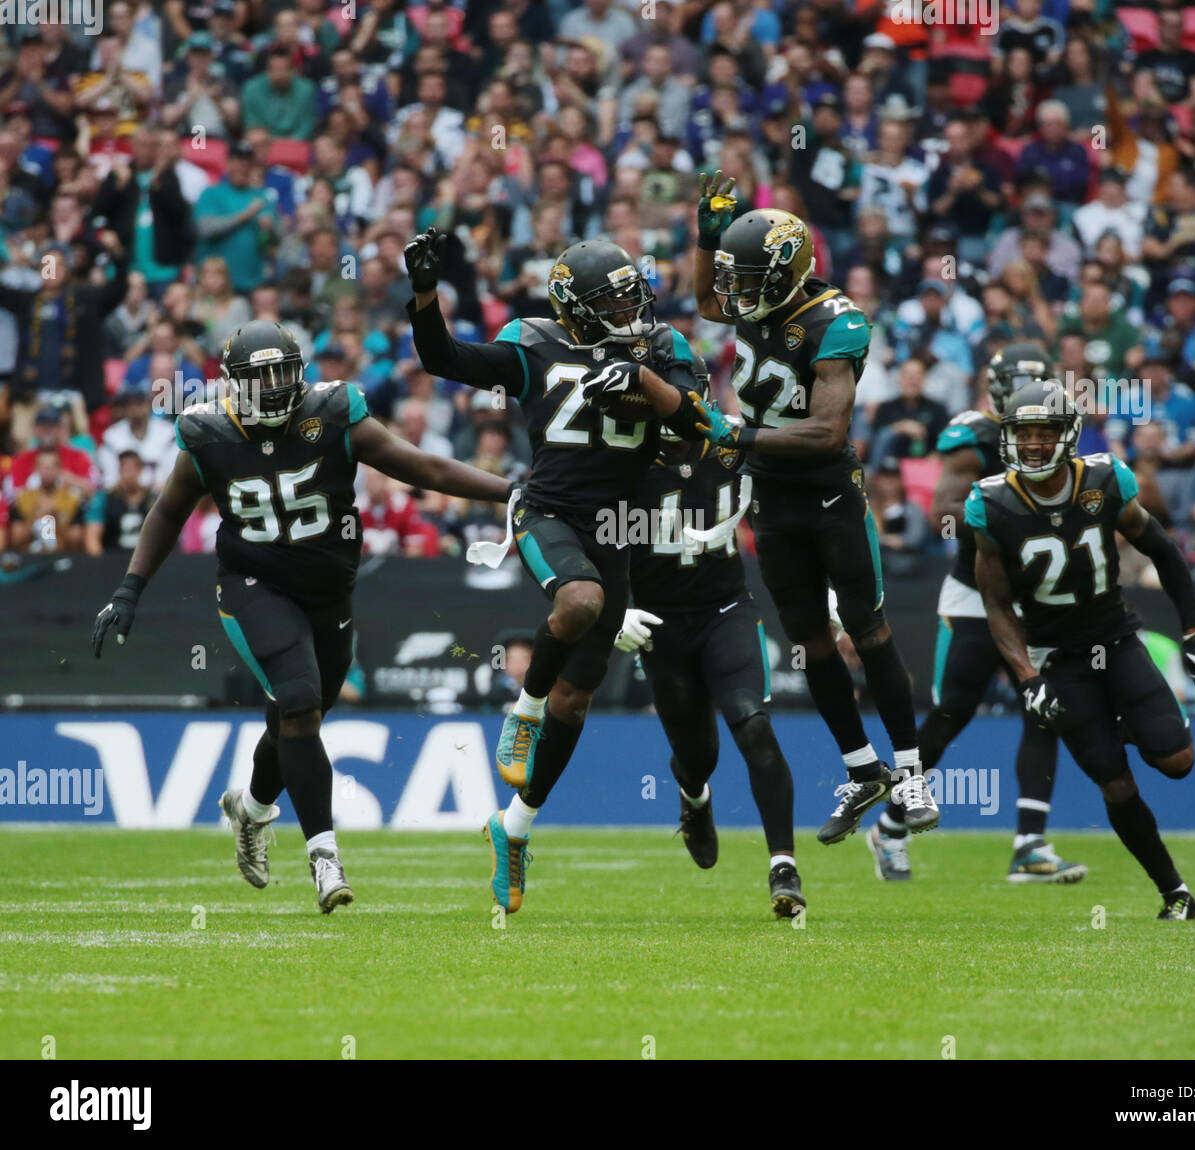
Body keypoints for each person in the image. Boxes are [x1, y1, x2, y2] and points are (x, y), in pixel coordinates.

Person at [90, 320, 513, 912]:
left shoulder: (334, 414)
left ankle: (253, 808)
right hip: (252, 584)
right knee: (300, 703)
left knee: (298, 714)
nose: (271, 387)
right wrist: (130, 589)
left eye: (281, 373)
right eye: (258, 377)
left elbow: (425, 469)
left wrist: (510, 492)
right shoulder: (208, 432)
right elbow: (167, 512)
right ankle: (324, 857)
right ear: (233, 383)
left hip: (328, 594)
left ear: (300, 372)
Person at [403, 228, 702, 915]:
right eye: (611, 300)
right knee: (579, 603)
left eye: (632, 295)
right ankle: (523, 709)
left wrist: (650, 385)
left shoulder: (662, 348)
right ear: (574, 307)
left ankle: (513, 828)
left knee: (580, 700)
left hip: (618, 531)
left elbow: (696, 431)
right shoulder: (534, 343)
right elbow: (443, 357)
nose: (630, 310)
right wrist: (424, 293)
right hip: (547, 511)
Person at [684, 173, 938, 848]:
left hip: (827, 492)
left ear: (790, 273)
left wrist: (738, 434)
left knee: (868, 627)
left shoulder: (837, 322)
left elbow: (827, 431)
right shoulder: (754, 297)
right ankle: (862, 769)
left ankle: (912, 775)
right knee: (810, 640)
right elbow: (707, 296)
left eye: (748, 274)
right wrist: (706, 237)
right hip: (769, 497)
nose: (734, 290)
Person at [969, 380, 1195, 920]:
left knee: (1177, 761)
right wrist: (1027, 679)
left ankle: (1126, 722)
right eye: (1023, 434)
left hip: (1117, 637)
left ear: (1069, 436)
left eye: (1044, 433)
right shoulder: (991, 503)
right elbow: (995, 604)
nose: (1033, 445)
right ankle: (1173, 891)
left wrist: (1194, 628)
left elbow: (1164, 550)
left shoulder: (1104, 481)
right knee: (1115, 782)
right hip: (1058, 659)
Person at [877, 344, 1084, 883]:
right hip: (975, 594)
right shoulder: (977, 435)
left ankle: (1029, 845)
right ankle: (892, 823)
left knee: (1045, 708)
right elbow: (943, 512)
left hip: (1033, 598)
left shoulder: (1063, 443)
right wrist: (1012, 514)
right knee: (950, 716)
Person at [615, 380, 803, 917]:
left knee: (755, 725)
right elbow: (582, 536)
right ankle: (694, 798)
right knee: (698, 757)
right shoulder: (621, 460)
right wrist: (614, 610)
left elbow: (795, 505)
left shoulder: (732, 446)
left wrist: (827, 584)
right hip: (659, 625)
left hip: (725, 610)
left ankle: (783, 866)